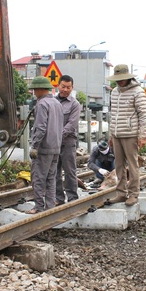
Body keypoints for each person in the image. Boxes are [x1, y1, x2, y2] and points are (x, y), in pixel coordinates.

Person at [106, 64, 146, 206]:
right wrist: (112, 135)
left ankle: (133, 194)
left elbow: (143, 115)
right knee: (118, 165)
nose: (119, 81)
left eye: (121, 79)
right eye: (117, 79)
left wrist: (143, 135)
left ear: (128, 77)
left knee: (132, 165)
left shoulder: (138, 92)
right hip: (117, 134)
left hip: (131, 134)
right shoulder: (114, 92)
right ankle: (121, 193)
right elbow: (114, 115)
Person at [27, 76, 63, 214]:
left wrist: (35, 146)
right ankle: (50, 206)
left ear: (40, 89)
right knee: (51, 177)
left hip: (44, 147)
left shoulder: (42, 104)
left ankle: (38, 207)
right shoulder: (57, 103)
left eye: (35, 90)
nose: (34, 93)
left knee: (38, 177)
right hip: (56, 147)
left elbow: (40, 128)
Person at [55, 75, 81, 205]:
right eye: (63, 86)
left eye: (68, 87)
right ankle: (58, 198)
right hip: (53, 143)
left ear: (72, 88)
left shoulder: (75, 104)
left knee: (70, 170)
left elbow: (72, 124)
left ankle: (72, 198)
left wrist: (57, 136)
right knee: (54, 171)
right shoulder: (52, 102)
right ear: (58, 86)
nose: (65, 89)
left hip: (67, 142)